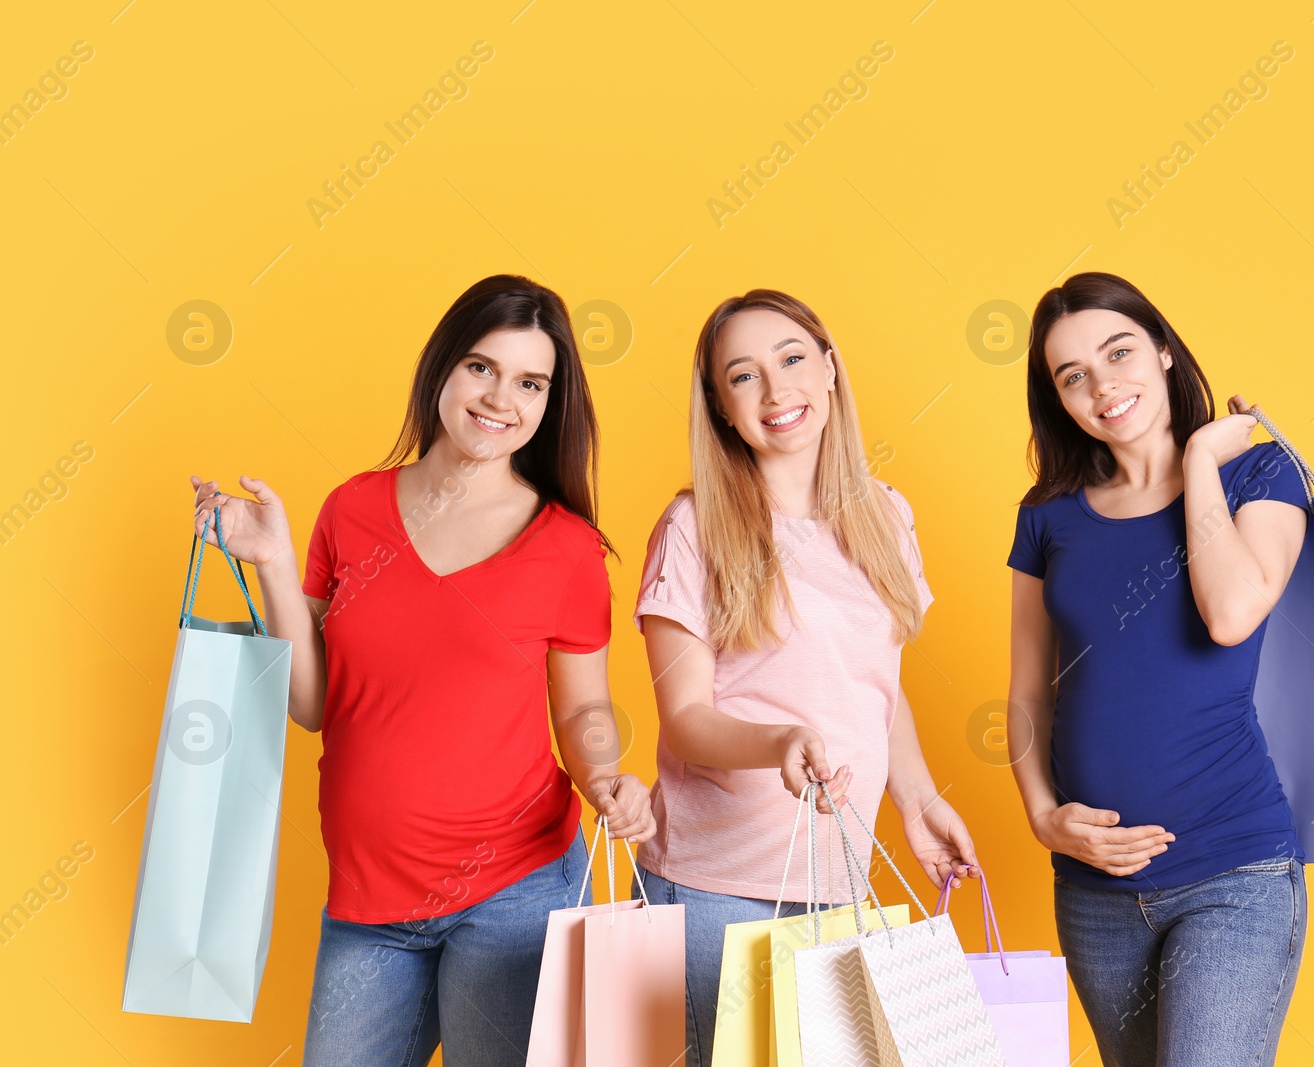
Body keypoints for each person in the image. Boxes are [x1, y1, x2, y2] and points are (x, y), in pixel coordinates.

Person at [188, 274, 653, 1067]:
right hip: (368, 904)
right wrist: (269, 560)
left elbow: (583, 713)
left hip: (515, 891)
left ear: (549, 402)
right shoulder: (352, 509)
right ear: (442, 367)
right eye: (482, 367)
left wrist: (605, 775)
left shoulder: (567, 547)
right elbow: (312, 703)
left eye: (530, 382)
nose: (500, 397)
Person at [632, 289, 978, 1067]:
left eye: (791, 360)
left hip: (839, 881)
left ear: (829, 370)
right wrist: (780, 739)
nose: (777, 389)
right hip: (714, 889)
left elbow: (873, 683)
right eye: (744, 376)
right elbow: (684, 715)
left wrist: (917, 801)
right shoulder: (693, 527)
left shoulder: (886, 516)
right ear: (720, 407)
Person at [1006, 272, 1312, 1066]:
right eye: (1074, 376)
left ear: (1165, 351)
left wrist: (1202, 458)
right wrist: (1043, 817)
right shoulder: (1048, 513)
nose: (1104, 386)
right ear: (1058, 398)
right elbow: (1028, 689)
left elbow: (1233, 611)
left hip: (1233, 871)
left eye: (1120, 352)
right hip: (1095, 895)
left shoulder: (1259, 475)